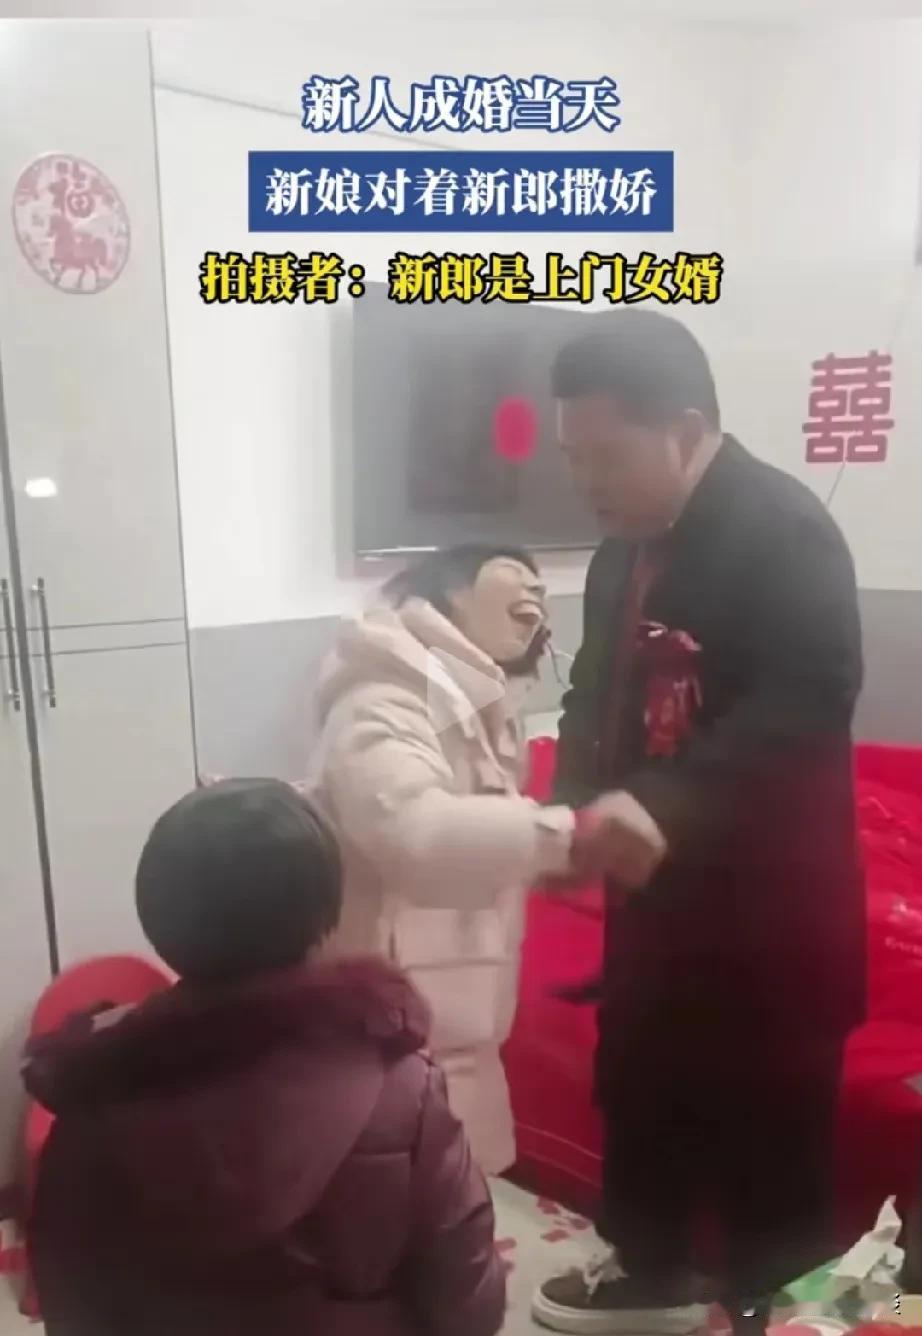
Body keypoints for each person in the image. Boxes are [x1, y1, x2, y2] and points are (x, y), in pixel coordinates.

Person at [532, 312, 866, 1335]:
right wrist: (567, 803)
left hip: (771, 908)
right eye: (572, 457)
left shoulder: (783, 529)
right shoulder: (618, 554)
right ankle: (649, 1266)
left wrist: (661, 802)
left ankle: (778, 1305)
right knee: (640, 1081)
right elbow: (592, 692)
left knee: (771, 1129)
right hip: (658, 899)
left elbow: (803, 707)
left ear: (683, 430)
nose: (586, 481)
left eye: (605, 456)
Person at [25, 779, 506, 1336]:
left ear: (158, 921)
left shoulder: (93, 1094)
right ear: (326, 915)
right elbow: (469, 1304)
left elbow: (71, 1299)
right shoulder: (403, 1089)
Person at [306, 544, 584, 1175]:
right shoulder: (380, 699)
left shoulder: (477, 704)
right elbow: (416, 832)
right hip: (389, 1037)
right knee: (400, 1201)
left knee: (466, 1190)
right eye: (513, 573)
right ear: (451, 593)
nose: (536, 592)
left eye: (542, 585)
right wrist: (569, 838)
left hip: (459, 1023)